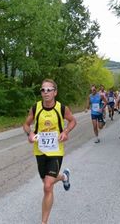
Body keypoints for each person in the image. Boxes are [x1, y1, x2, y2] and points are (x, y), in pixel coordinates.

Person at [23, 79, 77, 224]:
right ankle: (64, 177)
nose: (45, 92)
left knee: (47, 186)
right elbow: (26, 124)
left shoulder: (61, 108)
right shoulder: (36, 108)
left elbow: (72, 121)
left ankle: (44, 222)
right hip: (40, 151)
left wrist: (65, 131)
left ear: (55, 92)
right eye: (43, 90)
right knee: (47, 182)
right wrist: (29, 134)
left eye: (49, 90)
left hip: (56, 151)